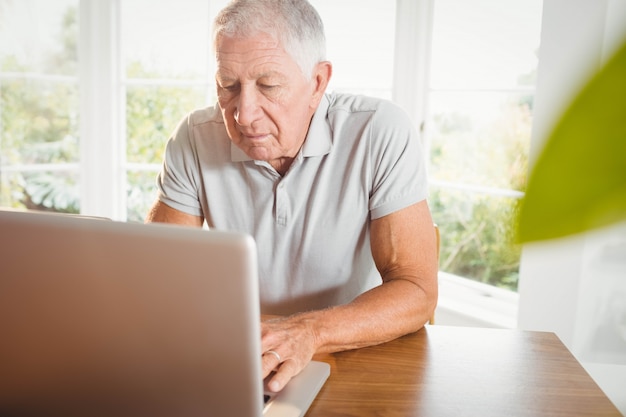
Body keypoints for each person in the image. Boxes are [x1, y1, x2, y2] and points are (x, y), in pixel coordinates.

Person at [145, 0, 438, 393]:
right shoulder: (195, 137)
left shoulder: (380, 131)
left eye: (268, 85)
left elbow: (417, 291)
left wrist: (309, 332)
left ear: (317, 83)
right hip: (239, 358)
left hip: (351, 357)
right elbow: (159, 275)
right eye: (228, 86)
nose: (244, 114)